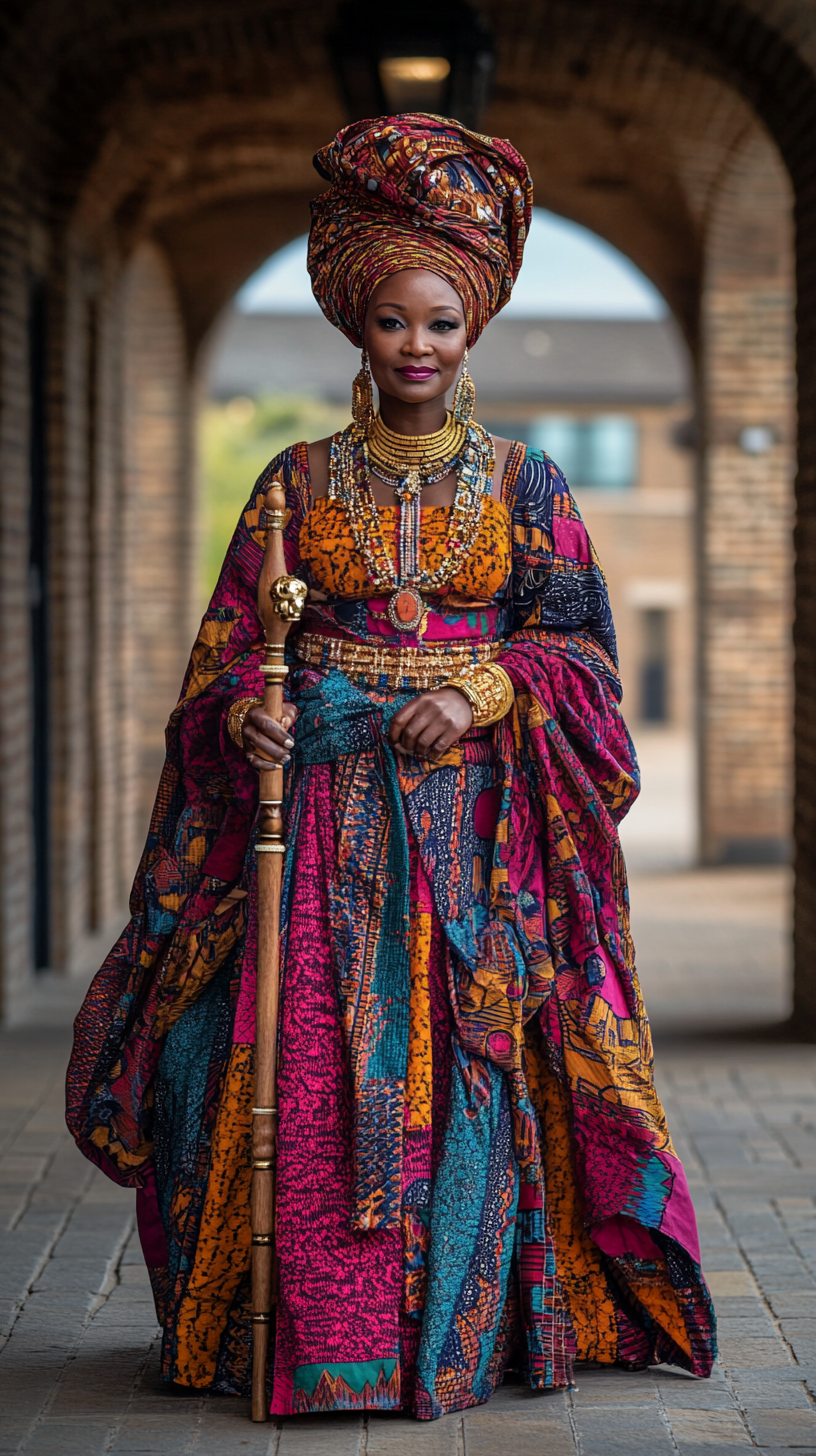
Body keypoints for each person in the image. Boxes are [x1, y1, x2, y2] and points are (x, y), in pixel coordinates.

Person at [67, 113, 716, 1420]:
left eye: (443, 325)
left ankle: (456, 1336)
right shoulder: (292, 485)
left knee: (464, 1066)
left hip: (474, 845)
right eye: (390, 323)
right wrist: (247, 720)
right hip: (309, 835)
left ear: (471, 332)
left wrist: (483, 691)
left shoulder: (531, 487)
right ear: (354, 326)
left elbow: (581, 655)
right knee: (290, 1069)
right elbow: (234, 657)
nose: (417, 349)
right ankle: (308, 1335)